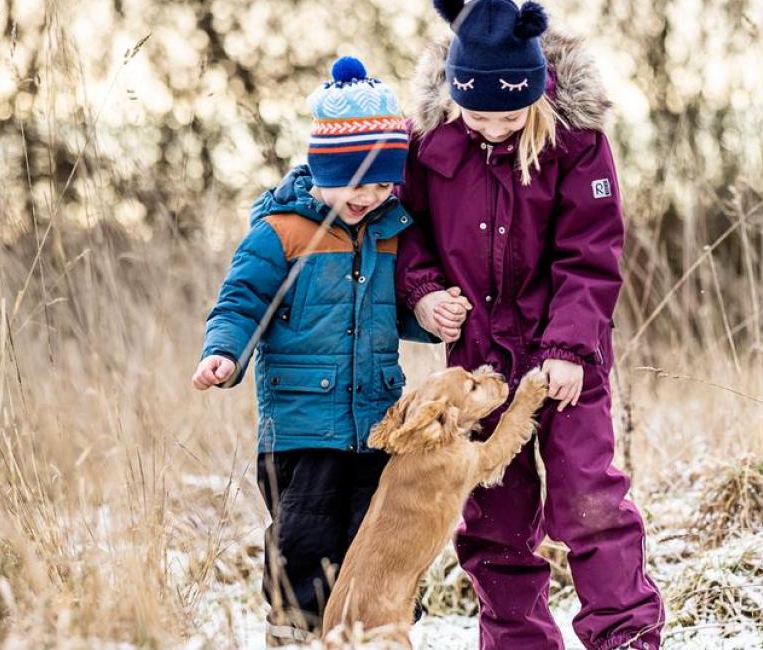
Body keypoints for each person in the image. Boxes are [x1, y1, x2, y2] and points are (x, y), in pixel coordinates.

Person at [396, 1, 665, 647]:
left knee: (589, 503)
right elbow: (407, 237)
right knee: (494, 517)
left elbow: (590, 255)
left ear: (538, 94)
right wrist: (426, 293)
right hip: (478, 364)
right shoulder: (429, 148)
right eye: (478, 115)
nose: (492, 129)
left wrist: (569, 348)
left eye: (509, 116)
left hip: (565, 360)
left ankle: (625, 636)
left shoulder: (576, 146)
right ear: (455, 94)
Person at [191, 56, 469, 645]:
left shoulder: (388, 234)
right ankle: (294, 631)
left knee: (374, 535)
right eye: (355, 181)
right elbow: (241, 302)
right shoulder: (281, 233)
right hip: (300, 430)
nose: (368, 195)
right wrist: (224, 353)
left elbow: (392, 316)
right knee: (304, 541)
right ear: (322, 167)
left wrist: (429, 315)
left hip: (374, 423)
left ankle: (374, 633)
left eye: (381, 183)